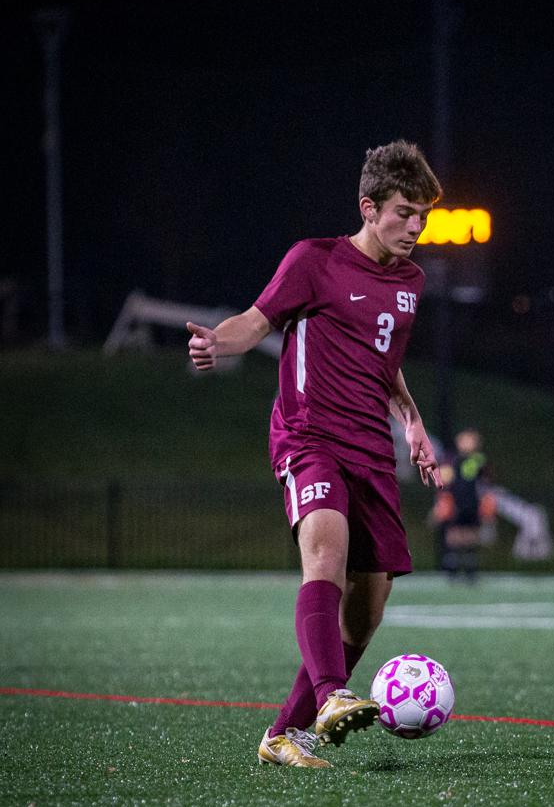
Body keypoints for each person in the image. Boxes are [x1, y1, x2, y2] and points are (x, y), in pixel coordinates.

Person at [187, 140, 443, 767]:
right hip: (310, 435)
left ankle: (282, 735)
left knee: (369, 605)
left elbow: (386, 366)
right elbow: (256, 319)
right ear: (369, 206)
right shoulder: (315, 260)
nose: (415, 227)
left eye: (423, 217)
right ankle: (331, 695)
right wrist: (218, 342)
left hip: (371, 451)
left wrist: (411, 421)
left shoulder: (411, 282)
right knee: (324, 551)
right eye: (405, 212)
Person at [432, 428, 496, 581]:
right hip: (455, 502)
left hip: (472, 503)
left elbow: (485, 483)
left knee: (471, 535)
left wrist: (487, 504)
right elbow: (444, 481)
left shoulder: (479, 460)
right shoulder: (451, 459)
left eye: (470, 440)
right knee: (453, 535)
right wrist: (442, 501)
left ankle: (470, 570)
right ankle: (451, 569)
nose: (467, 443)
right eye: (464, 440)